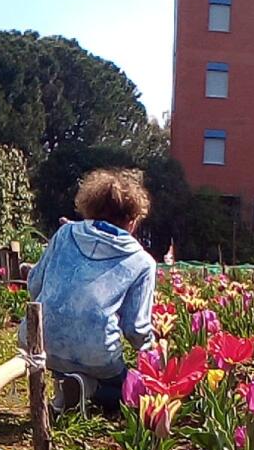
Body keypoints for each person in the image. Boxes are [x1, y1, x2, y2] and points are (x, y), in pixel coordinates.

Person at [20, 168, 155, 414]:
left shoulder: (64, 234)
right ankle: (89, 389)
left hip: (40, 342)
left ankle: (66, 386)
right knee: (135, 392)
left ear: (89, 207)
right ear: (133, 220)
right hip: (97, 355)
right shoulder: (142, 261)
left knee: (67, 346)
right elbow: (136, 329)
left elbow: (34, 285)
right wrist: (153, 353)